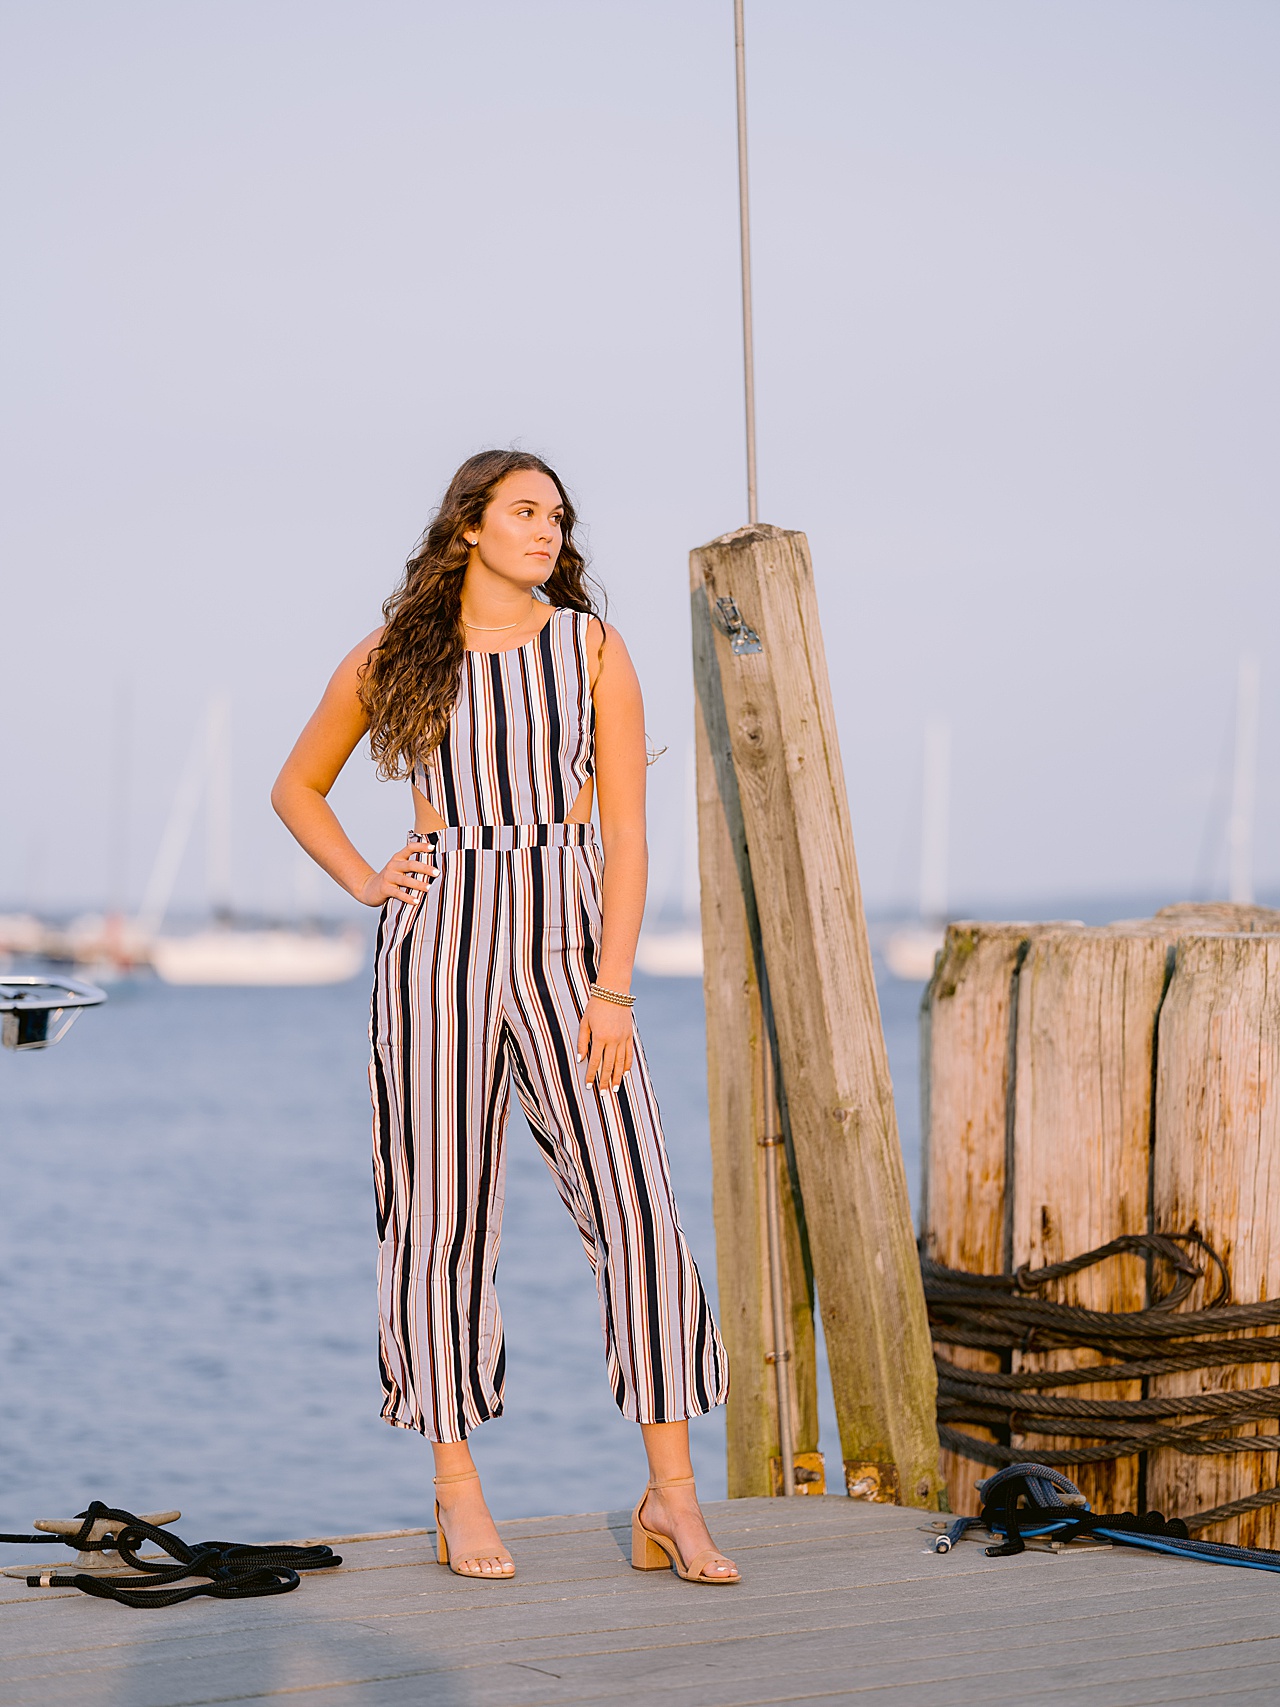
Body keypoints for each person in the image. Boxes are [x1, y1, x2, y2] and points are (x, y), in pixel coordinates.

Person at [272, 449, 738, 1585]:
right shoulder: (396, 656)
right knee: (437, 1216)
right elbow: (297, 787)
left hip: (570, 951)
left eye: (556, 516)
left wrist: (613, 983)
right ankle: (454, 1489)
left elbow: (625, 837)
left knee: (637, 1210)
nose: (546, 530)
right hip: (436, 950)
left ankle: (670, 1498)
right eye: (523, 512)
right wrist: (364, 879)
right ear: (468, 527)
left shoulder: (588, 646)